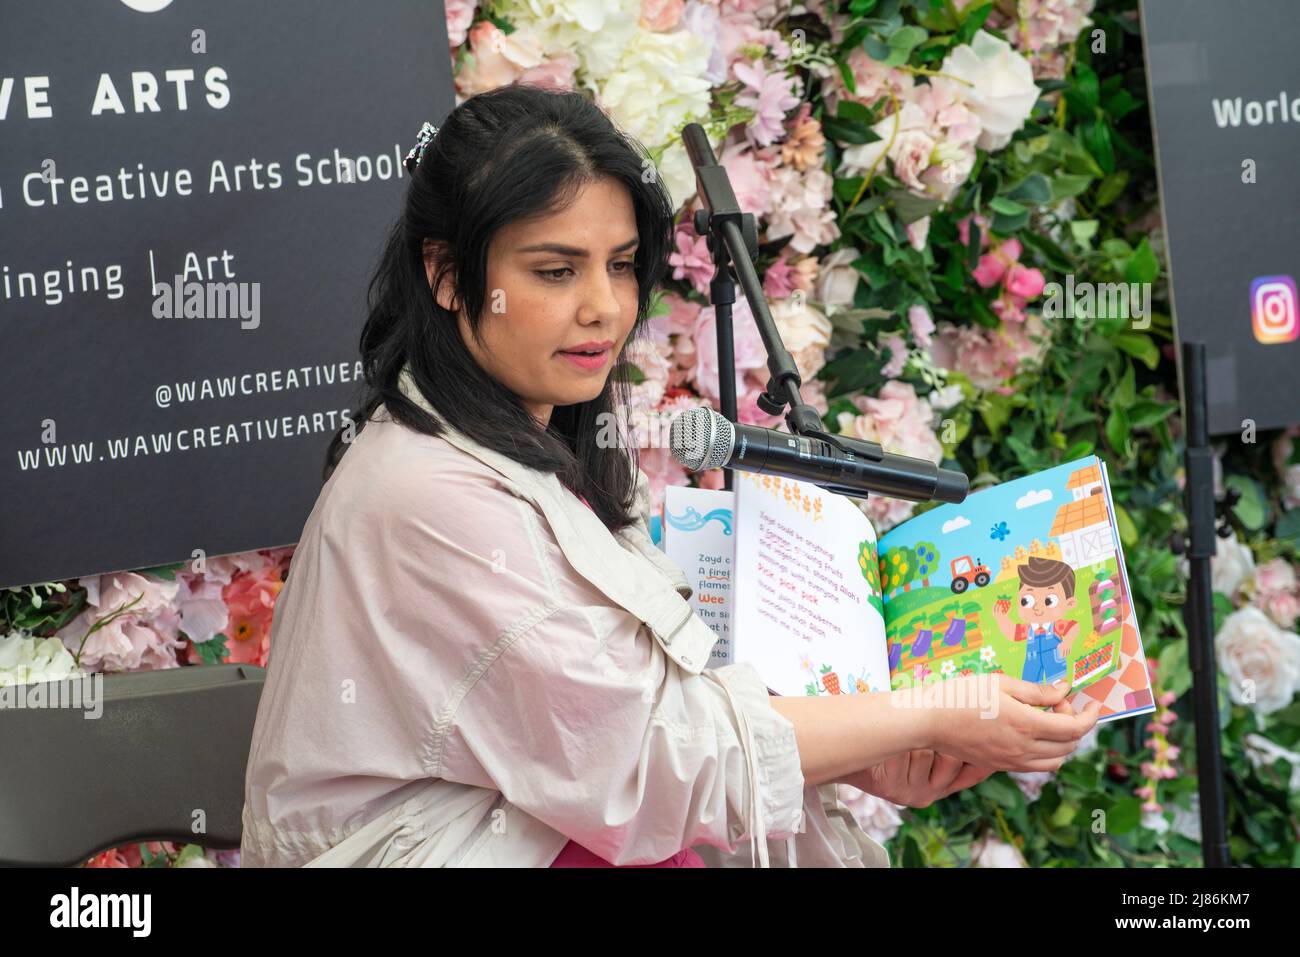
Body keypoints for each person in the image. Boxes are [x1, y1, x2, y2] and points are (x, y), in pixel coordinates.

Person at [240, 84, 1101, 869]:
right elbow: (648, 758)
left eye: (620, 265)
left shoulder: (531, 450)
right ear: (447, 273)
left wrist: (874, 755)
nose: (605, 307)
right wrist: (932, 712)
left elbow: (640, 728)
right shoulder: (428, 497)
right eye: (554, 271)